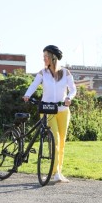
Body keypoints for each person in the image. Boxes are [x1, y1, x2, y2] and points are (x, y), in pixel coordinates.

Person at [23, 45, 77, 183]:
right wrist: (27, 95)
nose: (43, 58)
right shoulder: (43, 73)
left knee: (62, 142)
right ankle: (55, 172)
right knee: (55, 140)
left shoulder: (66, 73)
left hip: (63, 111)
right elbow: (34, 85)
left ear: (53, 57)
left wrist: (68, 98)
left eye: (46, 56)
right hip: (47, 110)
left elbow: (73, 90)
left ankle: (58, 171)